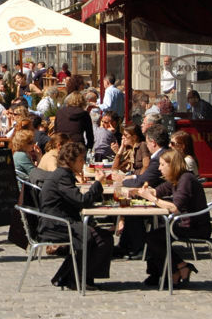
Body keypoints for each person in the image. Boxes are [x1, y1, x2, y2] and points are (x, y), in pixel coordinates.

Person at [38, 142, 112, 290]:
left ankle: (71, 277)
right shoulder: (62, 176)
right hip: (56, 224)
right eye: (81, 160)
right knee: (98, 237)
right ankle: (78, 278)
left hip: (60, 220)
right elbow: (81, 201)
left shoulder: (63, 174)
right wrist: (97, 183)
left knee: (100, 235)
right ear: (71, 161)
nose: (83, 163)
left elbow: (76, 199)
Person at [132, 150, 210, 287]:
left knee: (152, 238)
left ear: (172, 165)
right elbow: (157, 191)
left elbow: (174, 208)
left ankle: (177, 268)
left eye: (162, 165)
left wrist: (151, 198)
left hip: (195, 226)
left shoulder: (186, 179)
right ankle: (164, 272)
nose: (159, 168)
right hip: (183, 223)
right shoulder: (175, 179)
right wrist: (137, 192)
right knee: (153, 235)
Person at [111, 124, 170, 258]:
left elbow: (141, 182)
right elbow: (142, 177)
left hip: (163, 197)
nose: (147, 146)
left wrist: (123, 180)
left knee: (133, 208)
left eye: (148, 142)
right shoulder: (163, 154)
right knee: (131, 206)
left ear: (153, 143)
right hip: (158, 192)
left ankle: (137, 247)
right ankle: (126, 245)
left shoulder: (159, 158)